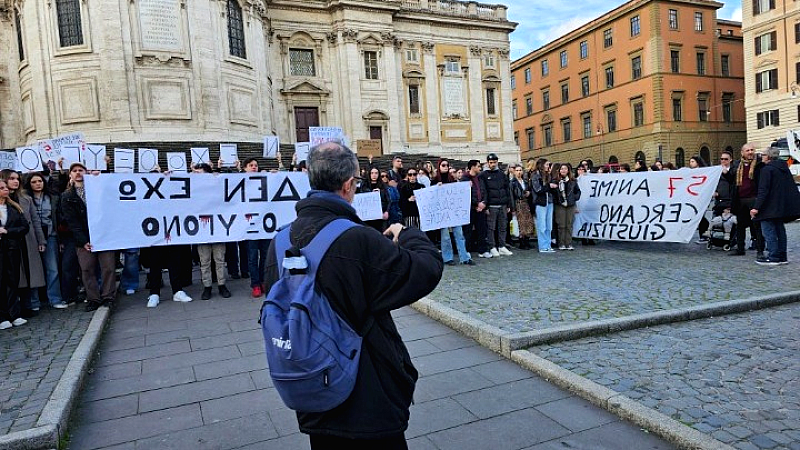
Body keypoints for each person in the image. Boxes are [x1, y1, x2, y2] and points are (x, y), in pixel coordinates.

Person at [263, 141, 443, 449]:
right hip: (367, 394)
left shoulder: (279, 242)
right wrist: (407, 235)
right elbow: (424, 271)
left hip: (313, 388)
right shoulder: (358, 239)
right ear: (348, 185)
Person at [60, 162, 117, 311]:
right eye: (74, 171)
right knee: (87, 269)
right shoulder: (67, 196)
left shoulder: (98, 189)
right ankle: (93, 298)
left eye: (81, 170)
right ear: (70, 174)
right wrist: (83, 241)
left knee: (108, 268)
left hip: (104, 235)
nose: (78, 173)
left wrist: (100, 178)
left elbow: (112, 194)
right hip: (83, 239)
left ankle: (108, 297)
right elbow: (72, 222)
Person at [0, 169, 45, 316]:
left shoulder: (26, 198)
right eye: (12, 178)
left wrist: (40, 240)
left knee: (28, 270)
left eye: (17, 178)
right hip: (9, 243)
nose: (15, 181)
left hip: (27, 239)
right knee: (13, 275)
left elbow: (35, 220)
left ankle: (29, 305)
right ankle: (13, 309)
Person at [24, 172, 68, 309]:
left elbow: (58, 218)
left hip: (50, 235)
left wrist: (60, 239)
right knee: (33, 269)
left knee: (52, 268)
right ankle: (34, 301)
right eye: (34, 182)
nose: (38, 184)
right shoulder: (25, 198)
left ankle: (55, 299)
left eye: (40, 181)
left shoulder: (52, 197)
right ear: (29, 184)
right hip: (31, 237)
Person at [751, 146, 800, 265]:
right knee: (780, 231)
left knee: (769, 232)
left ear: (768, 157)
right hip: (780, 206)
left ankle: (773, 256)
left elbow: (763, 190)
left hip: (769, 207)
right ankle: (782, 256)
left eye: (762, 154)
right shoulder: (783, 168)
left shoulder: (767, 170)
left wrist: (756, 207)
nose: (761, 157)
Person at [192, 163, 232, 300]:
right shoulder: (192, 188)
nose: (196, 176)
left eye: (199, 173)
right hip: (201, 230)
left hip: (218, 229)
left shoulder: (217, 186)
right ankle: (207, 286)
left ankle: (221, 284)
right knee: (205, 260)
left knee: (219, 258)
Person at [724, 143, 765, 257]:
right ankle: (740, 248)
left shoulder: (759, 164)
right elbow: (731, 179)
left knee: (757, 226)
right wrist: (725, 173)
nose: (750, 152)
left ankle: (760, 250)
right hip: (740, 200)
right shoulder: (737, 165)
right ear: (742, 153)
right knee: (740, 226)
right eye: (747, 150)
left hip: (754, 199)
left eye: (752, 150)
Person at [432, 158, 474, 266]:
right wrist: (436, 187)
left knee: (459, 234)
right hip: (443, 212)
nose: (445, 167)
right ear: (439, 166)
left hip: (454, 212)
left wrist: (467, 186)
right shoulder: (435, 180)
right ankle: (447, 258)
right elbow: (431, 196)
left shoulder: (453, 180)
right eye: (443, 165)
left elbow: (460, 192)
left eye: (447, 165)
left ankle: (464, 257)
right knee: (445, 236)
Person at [0, 179, 30, 329]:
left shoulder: (14, 208)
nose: (5, 190)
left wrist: (8, 231)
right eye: (1, 188)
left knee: (12, 281)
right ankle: (2, 316)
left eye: (5, 187)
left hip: (12, 249)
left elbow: (24, 227)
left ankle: (14, 314)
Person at [243, 157, 270, 298]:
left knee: (265, 256)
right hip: (250, 227)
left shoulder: (264, 180)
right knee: (253, 257)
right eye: (251, 165)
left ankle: (263, 281)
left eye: (256, 165)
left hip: (264, 226)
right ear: (245, 168)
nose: (254, 167)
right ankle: (255, 284)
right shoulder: (240, 182)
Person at [479, 153, 513, 257]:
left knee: (503, 227)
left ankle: (502, 246)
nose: (493, 164)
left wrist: (508, 204)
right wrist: (486, 206)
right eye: (491, 162)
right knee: (491, 228)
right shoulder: (483, 175)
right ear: (487, 163)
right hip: (491, 206)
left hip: (502, 204)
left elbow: (507, 189)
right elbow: (483, 191)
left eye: (494, 162)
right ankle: (492, 246)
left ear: (497, 162)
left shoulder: (502, 174)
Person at [462, 160, 490, 258]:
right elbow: (465, 195)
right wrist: (476, 204)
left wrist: (484, 203)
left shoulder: (480, 178)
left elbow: (485, 191)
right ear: (472, 167)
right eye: (478, 166)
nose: (480, 168)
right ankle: (467, 250)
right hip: (470, 209)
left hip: (481, 208)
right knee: (468, 231)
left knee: (482, 230)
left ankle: (482, 250)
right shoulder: (464, 179)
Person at [530, 159, 555, 253]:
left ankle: (548, 245)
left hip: (550, 202)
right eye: (547, 164)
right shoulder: (535, 176)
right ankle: (542, 246)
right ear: (542, 165)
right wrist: (549, 186)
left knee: (549, 225)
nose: (548, 166)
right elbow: (538, 190)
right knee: (542, 225)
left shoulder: (549, 175)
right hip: (540, 203)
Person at [509, 164, 534, 249]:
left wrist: (529, 193)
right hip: (518, 203)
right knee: (521, 223)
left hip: (526, 204)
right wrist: (513, 209)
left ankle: (527, 240)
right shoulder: (512, 183)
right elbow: (511, 196)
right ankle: (522, 242)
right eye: (517, 170)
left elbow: (530, 191)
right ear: (514, 172)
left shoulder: (525, 181)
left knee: (528, 222)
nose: (519, 172)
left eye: (520, 170)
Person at [688, 155, 711, 243]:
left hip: (702, 196)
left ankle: (704, 234)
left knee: (699, 215)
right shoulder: (690, 172)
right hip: (693, 197)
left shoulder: (704, 172)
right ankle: (704, 233)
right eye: (690, 162)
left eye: (693, 161)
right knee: (697, 215)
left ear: (698, 162)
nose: (691, 163)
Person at [359, 167, 390, 232]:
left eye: (376, 173)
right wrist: (371, 193)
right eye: (372, 173)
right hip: (368, 216)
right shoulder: (364, 185)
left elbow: (388, 200)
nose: (374, 175)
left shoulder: (383, 185)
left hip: (380, 215)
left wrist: (387, 211)